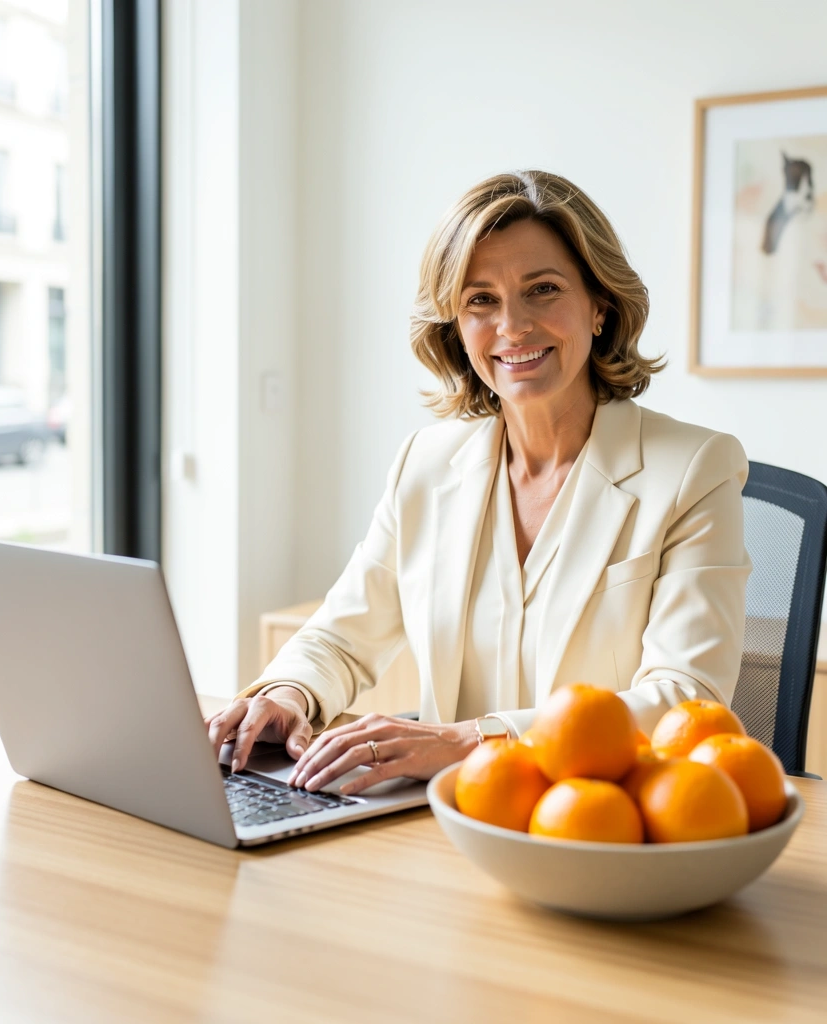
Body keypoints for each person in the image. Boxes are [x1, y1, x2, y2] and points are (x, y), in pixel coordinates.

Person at [205, 170, 751, 797]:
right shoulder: (425, 464)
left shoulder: (695, 468)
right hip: (448, 818)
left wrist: (472, 740)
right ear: (456, 328)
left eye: (543, 290)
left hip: (603, 820)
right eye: (480, 301)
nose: (512, 326)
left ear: (600, 305)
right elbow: (342, 634)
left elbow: (685, 700)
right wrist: (287, 693)